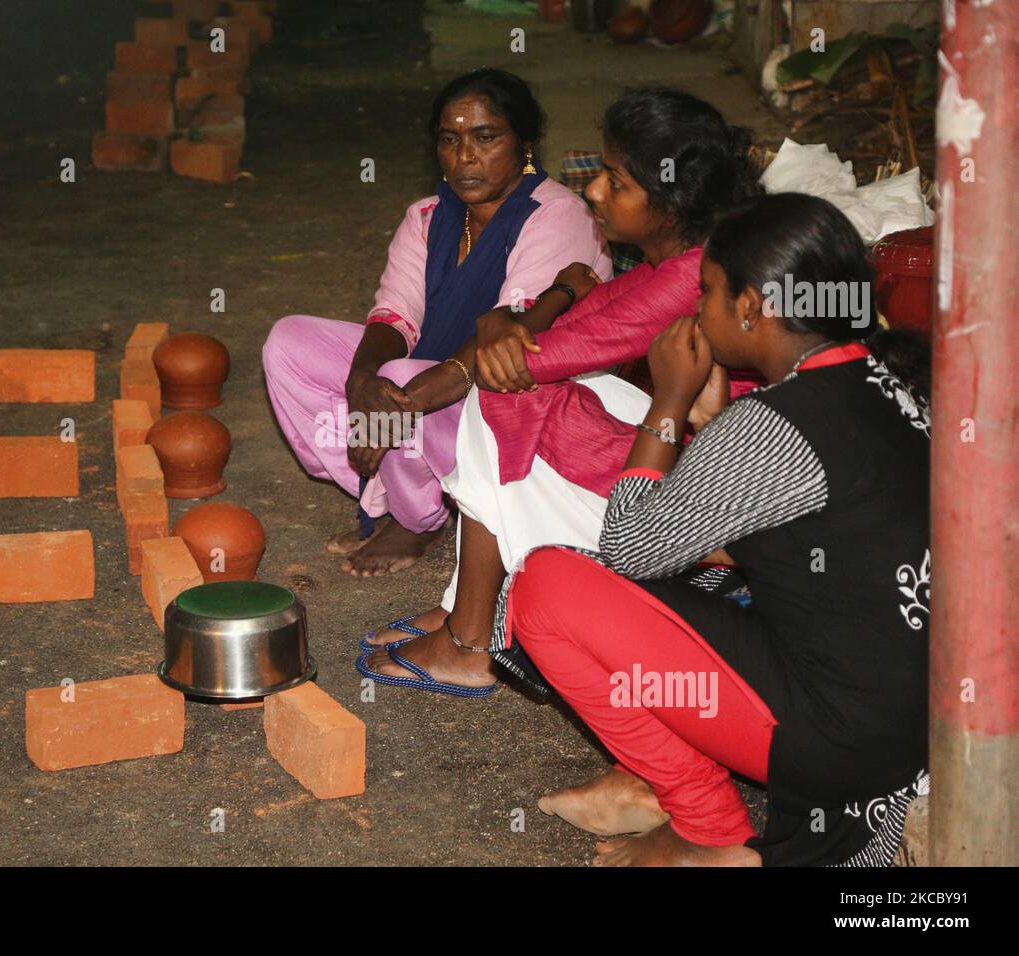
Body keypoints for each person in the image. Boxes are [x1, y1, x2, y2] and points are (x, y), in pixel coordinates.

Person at [507, 192, 931, 866]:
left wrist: (669, 401)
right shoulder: (891, 381)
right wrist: (709, 426)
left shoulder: (771, 423)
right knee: (704, 580)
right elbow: (787, 529)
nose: (694, 311)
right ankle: (660, 788)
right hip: (914, 726)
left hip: (842, 739)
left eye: (706, 293)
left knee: (545, 585)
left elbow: (629, 549)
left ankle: (708, 829)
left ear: (753, 306)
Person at [358, 89, 760, 696]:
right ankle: (468, 609)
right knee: (510, 393)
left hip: (719, 503)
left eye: (614, 180)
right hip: (693, 454)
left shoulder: (686, 278)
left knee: (505, 396)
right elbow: (548, 332)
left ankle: (471, 639)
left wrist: (528, 314)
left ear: (670, 202)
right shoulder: (667, 261)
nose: (593, 190)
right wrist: (553, 299)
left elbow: (533, 351)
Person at [262, 68, 610, 577]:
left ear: (525, 143)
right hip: (432, 389)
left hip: (518, 400)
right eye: (450, 140)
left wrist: (385, 413)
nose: (464, 157)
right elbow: (394, 315)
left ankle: (417, 518)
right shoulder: (427, 215)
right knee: (289, 341)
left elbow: (512, 330)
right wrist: (361, 384)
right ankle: (395, 490)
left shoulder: (556, 215)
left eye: (486, 138)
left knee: (401, 379)